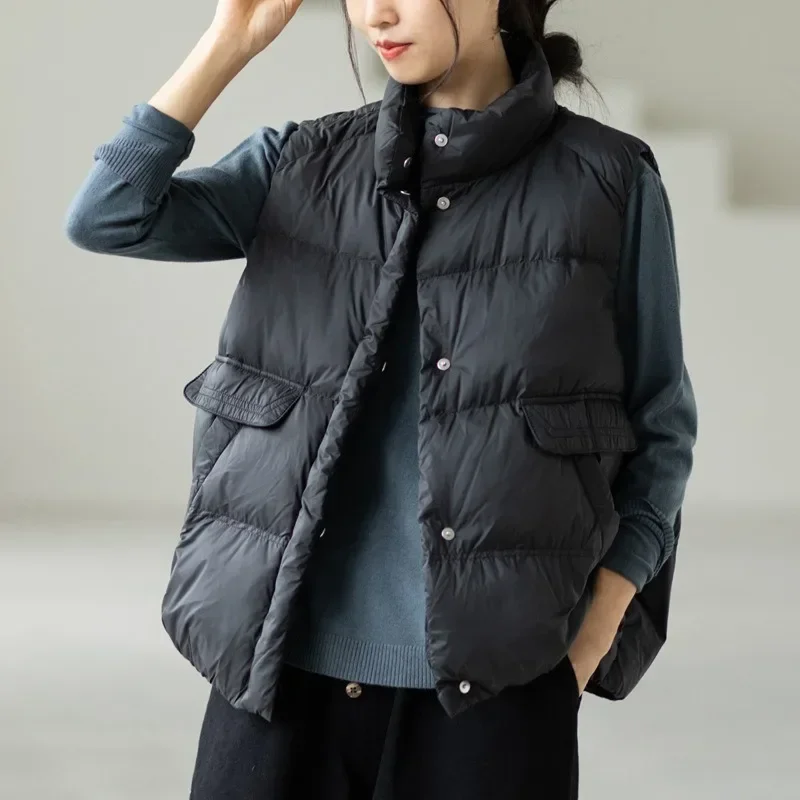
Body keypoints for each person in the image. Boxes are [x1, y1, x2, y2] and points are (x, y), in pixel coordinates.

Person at [64, 0, 698, 796]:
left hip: (495, 687)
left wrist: (590, 638)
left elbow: (660, 426)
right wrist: (229, 41)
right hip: (277, 673)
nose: (375, 14)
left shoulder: (608, 181)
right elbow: (109, 214)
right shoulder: (302, 161)